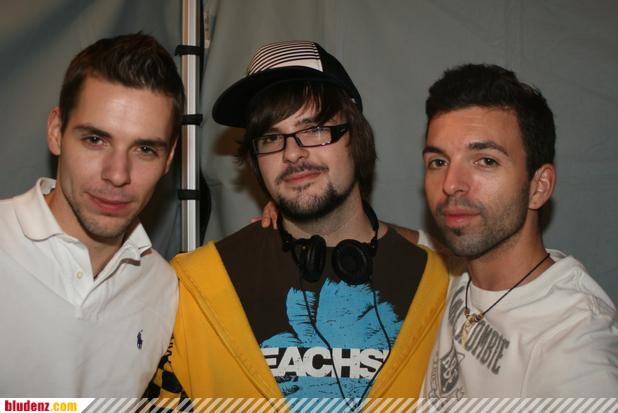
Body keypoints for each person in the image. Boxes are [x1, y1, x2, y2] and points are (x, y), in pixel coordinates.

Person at [147, 40, 448, 406]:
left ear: (356, 137)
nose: (292, 153)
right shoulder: (194, 285)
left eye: (315, 129)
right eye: (271, 137)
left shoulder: (447, 287)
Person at [0, 33, 184, 396]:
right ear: (56, 132)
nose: (117, 174)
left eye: (145, 149)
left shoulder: (164, 290)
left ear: (169, 159)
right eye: (95, 140)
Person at [421, 63, 618, 397]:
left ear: (538, 187)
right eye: (438, 162)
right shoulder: (464, 264)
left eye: (486, 160)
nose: (451, 184)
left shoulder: (571, 345)